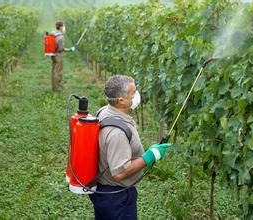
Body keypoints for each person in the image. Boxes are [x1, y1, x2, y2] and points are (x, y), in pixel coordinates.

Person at [89, 75, 172, 220]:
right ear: (121, 100)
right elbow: (120, 173)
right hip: (116, 197)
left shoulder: (105, 111)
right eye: (134, 92)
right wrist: (150, 156)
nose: (137, 94)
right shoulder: (117, 134)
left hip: (105, 193)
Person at [51, 21, 75, 92]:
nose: (63, 28)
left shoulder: (53, 34)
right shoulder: (60, 36)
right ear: (60, 27)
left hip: (53, 55)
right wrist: (70, 49)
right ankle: (57, 88)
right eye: (63, 26)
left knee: (54, 70)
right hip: (58, 55)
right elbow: (61, 48)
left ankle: (55, 86)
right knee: (58, 71)